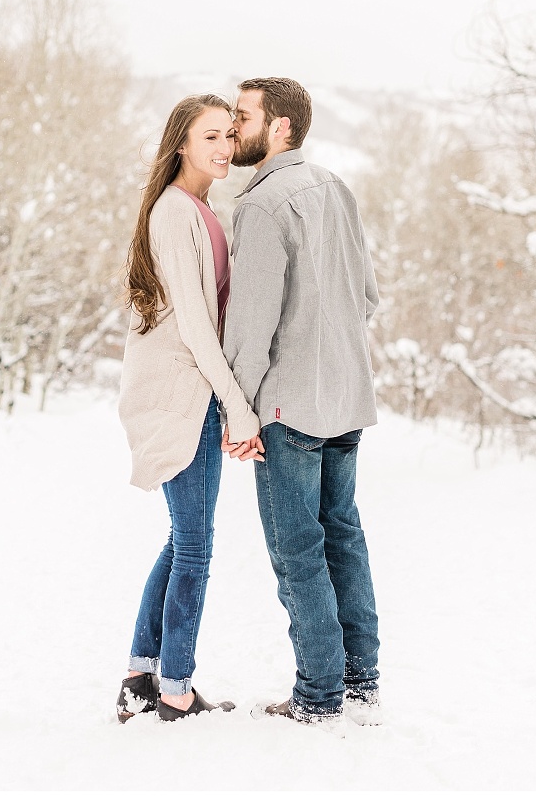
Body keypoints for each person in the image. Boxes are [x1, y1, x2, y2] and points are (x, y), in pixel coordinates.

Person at [221, 77, 381, 726]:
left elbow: (251, 327)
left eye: (243, 116)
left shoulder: (260, 206)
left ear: (280, 126)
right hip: (347, 397)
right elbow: (367, 296)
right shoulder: (335, 188)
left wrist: (241, 408)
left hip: (289, 408)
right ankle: (360, 683)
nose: (234, 129)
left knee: (298, 551)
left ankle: (317, 696)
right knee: (343, 538)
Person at [115, 94, 263, 724]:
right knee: (196, 546)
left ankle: (140, 678)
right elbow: (199, 327)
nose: (225, 147)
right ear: (181, 142)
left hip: (194, 394)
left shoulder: (200, 210)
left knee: (183, 541)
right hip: (183, 398)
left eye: (229, 135)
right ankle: (174, 690)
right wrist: (239, 407)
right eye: (210, 137)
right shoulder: (178, 213)